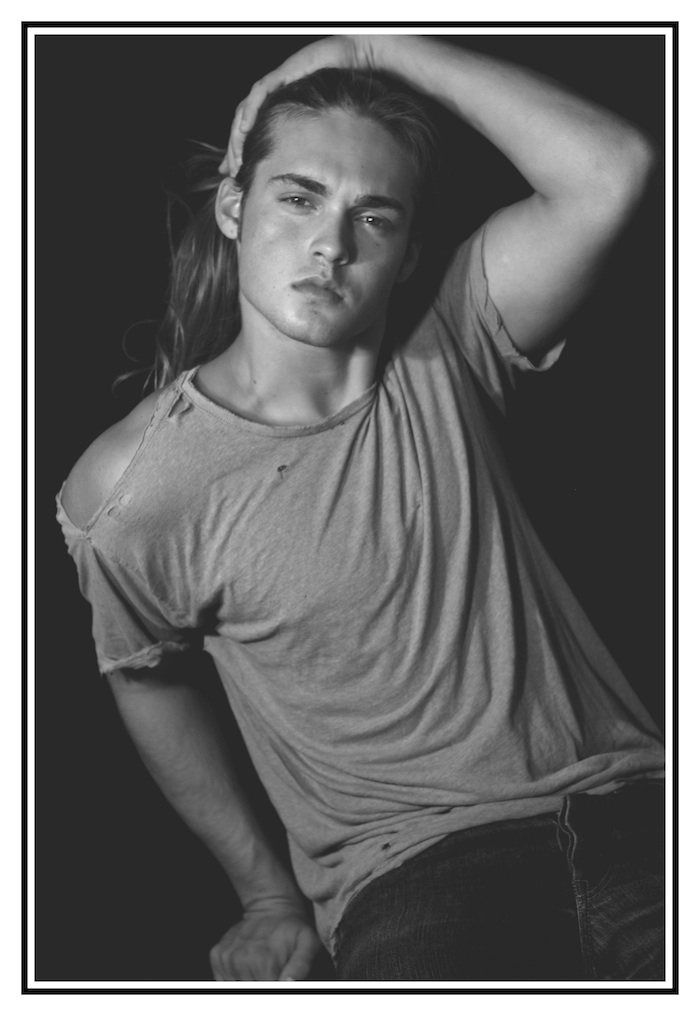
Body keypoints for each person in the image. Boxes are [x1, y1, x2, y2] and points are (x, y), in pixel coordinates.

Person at [57, 35, 664, 982]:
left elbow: (612, 169)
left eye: (372, 217)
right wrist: (265, 895)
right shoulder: (131, 487)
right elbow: (143, 675)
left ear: (408, 251)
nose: (331, 245)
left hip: (641, 816)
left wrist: (374, 42)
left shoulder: (451, 341)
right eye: (298, 198)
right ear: (233, 205)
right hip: (419, 872)